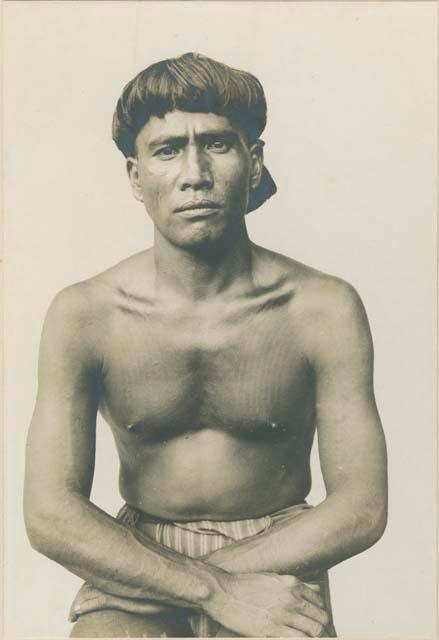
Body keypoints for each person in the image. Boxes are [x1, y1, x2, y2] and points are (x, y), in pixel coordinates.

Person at [23, 52, 388, 638]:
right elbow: (48, 513)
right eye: (167, 150)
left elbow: (361, 507)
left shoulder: (321, 308)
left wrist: (187, 582)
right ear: (135, 176)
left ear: (254, 161)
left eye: (217, 144)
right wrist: (211, 588)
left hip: (282, 550)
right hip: (139, 544)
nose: (195, 172)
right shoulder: (84, 314)